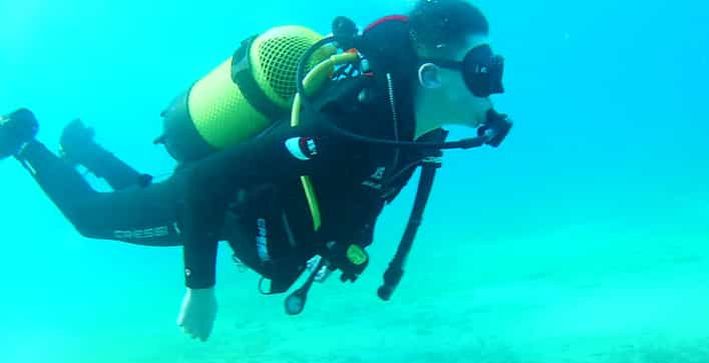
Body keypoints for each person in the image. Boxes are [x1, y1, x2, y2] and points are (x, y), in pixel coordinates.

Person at [0, 0, 511, 342]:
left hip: (243, 200)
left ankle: (82, 149)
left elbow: (368, 192)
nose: (495, 81)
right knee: (93, 219)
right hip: (214, 206)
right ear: (430, 75)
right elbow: (205, 183)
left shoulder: (416, 132)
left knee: (146, 195)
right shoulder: (340, 132)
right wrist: (200, 290)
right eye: (481, 65)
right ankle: (25, 141)